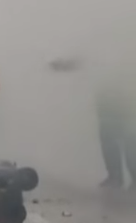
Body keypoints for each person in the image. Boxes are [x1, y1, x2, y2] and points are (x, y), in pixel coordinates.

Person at [49, 57, 136, 190]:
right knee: (115, 141)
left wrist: (63, 65)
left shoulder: (116, 56)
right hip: (111, 106)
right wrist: (63, 65)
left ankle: (119, 178)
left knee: (125, 142)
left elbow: (87, 61)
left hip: (120, 106)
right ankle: (116, 177)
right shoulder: (110, 54)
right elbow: (87, 61)